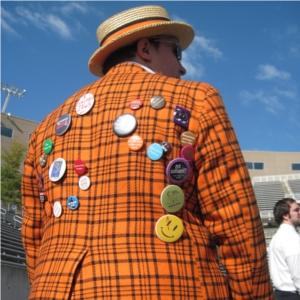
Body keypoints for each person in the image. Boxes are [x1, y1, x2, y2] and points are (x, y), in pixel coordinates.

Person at [22, 5, 273, 299]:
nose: (182, 67)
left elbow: (33, 233)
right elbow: (236, 223)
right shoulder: (197, 99)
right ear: (145, 48)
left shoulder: (48, 126)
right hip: (167, 286)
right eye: (176, 52)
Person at [269, 198, 300, 300]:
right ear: (285, 215)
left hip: (281, 294)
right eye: (296, 210)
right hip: (293, 294)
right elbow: (298, 273)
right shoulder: (291, 238)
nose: (299, 212)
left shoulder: (277, 237)